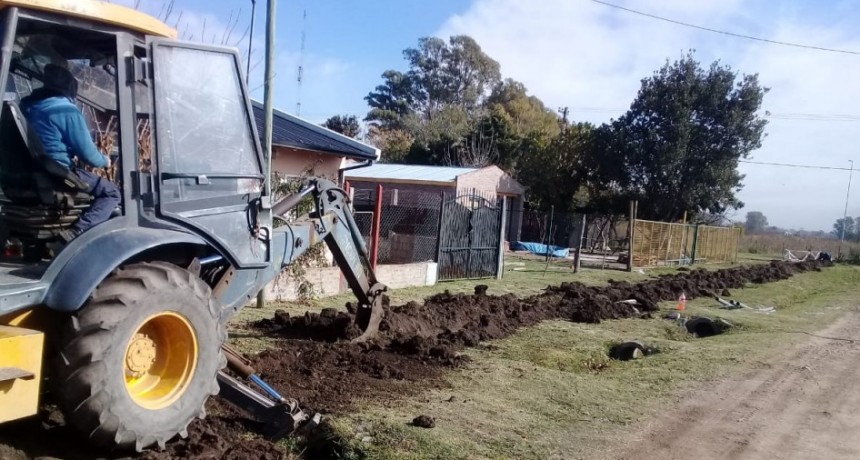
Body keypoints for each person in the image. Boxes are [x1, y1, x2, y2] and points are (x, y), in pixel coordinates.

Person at [19, 63, 121, 243]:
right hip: (57, 172)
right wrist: (105, 161)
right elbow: (88, 155)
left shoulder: (27, 106)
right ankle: (78, 231)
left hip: (31, 171)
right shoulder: (65, 109)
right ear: (70, 87)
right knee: (111, 192)